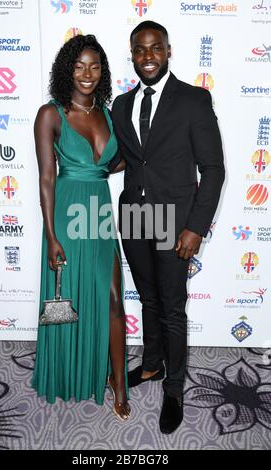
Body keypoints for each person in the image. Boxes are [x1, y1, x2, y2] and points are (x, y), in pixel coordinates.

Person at [111, 21, 225, 433]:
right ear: (132, 55)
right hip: (135, 217)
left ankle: (174, 389)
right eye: (140, 50)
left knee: (173, 309)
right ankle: (154, 365)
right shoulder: (121, 105)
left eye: (155, 48)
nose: (148, 57)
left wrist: (196, 227)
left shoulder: (194, 100)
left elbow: (213, 169)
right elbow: (127, 157)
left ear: (168, 50)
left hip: (175, 222)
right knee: (148, 300)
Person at [32, 34, 130, 422]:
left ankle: (118, 383)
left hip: (100, 213)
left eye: (95, 66)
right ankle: (68, 372)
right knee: (68, 299)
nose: (87, 74)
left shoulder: (109, 113)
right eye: (79, 66)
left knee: (112, 299)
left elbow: (115, 161)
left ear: (103, 72)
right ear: (67, 70)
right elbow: (46, 179)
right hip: (67, 217)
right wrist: (52, 236)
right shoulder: (50, 114)